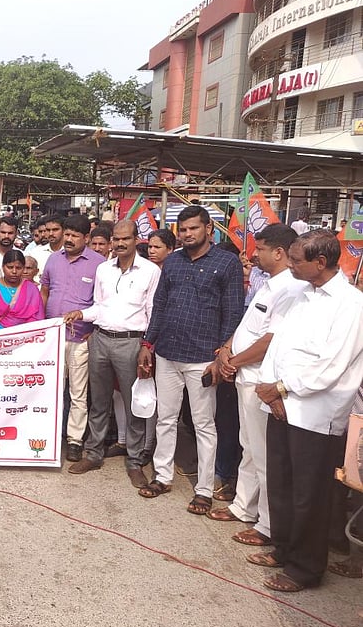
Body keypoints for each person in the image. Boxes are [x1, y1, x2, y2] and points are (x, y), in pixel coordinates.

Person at [249, 230, 363, 592]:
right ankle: (283, 548)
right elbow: (278, 344)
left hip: (315, 413)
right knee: (281, 483)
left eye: (297, 260)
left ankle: (306, 569)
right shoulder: (303, 294)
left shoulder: (351, 305)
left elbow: (333, 365)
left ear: (321, 262)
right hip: (280, 405)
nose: (291, 265)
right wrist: (271, 392)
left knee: (308, 494)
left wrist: (282, 388)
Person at [137, 205, 244, 515]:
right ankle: (163, 476)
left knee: (203, 424)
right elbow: (160, 306)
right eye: (182, 230)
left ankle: (204, 489)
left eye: (193, 229)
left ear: (208, 229)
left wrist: (222, 353)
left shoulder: (226, 264)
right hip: (168, 352)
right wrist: (148, 343)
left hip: (203, 357)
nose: (187, 234)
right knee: (166, 418)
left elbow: (233, 312)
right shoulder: (172, 263)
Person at [203, 225, 303, 550]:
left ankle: (268, 525)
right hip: (244, 375)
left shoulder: (290, 289)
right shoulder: (269, 284)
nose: (253, 254)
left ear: (278, 252)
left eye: (259, 249)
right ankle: (243, 506)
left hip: (261, 380)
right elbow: (249, 326)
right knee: (249, 446)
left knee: (264, 454)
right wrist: (226, 350)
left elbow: (271, 340)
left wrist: (235, 360)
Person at [64, 220, 161, 486]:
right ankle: (93, 454)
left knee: (133, 404)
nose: (119, 244)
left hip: (131, 343)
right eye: (116, 239)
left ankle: (134, 461)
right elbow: (99, 306)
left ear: (135, 239)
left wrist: (147, 347)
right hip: (101, 339)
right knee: (99, 402)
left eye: (125, 239)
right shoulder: (104, 269)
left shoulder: (150, 271)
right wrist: (80, 314)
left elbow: (153, 312)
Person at [40, 214, 106, 462]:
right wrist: (41, 324)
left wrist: (92, 331)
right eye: (66, 234)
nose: (68, 239)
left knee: (78, 393)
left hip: (81, 338)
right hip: (53, 337)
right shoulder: (53, 260)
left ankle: (75, 440)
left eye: (74, 236)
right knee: (52, 390)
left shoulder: (99, 264)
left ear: (86, 238)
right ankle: (50, 434)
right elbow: (45, 290)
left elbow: (102, 301)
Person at [0, 249, 44, 331]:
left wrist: (22, 335)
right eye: (10, 267)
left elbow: (37, 318)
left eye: (18, 268)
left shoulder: (32, 289)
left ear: (23, 268)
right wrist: (8, 335)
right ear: (2, 267)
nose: (14, 271)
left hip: (25, 338)